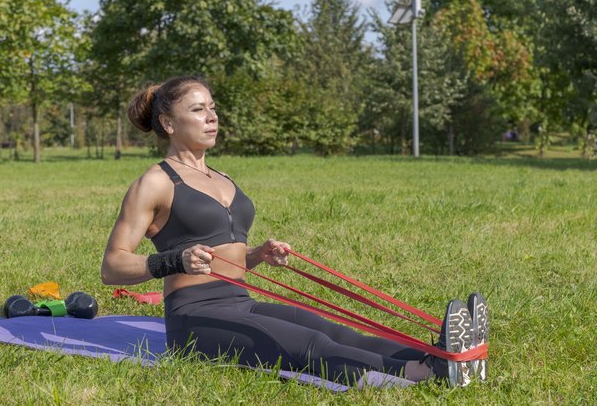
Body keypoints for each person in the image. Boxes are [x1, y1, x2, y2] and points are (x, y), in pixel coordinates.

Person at [101, 75, 489, 388]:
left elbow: (222, 257)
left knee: (332, 330)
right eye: (198, 110)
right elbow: (112, 267)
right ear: (168, 123)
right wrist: (175, 259)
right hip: (194, 320)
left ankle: (436, 356)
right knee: (309, 344)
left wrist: (256, 256)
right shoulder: (154, 182)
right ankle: (422, 375)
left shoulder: (220, 177)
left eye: (213, 108)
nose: (212, 117)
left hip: (241, 301)